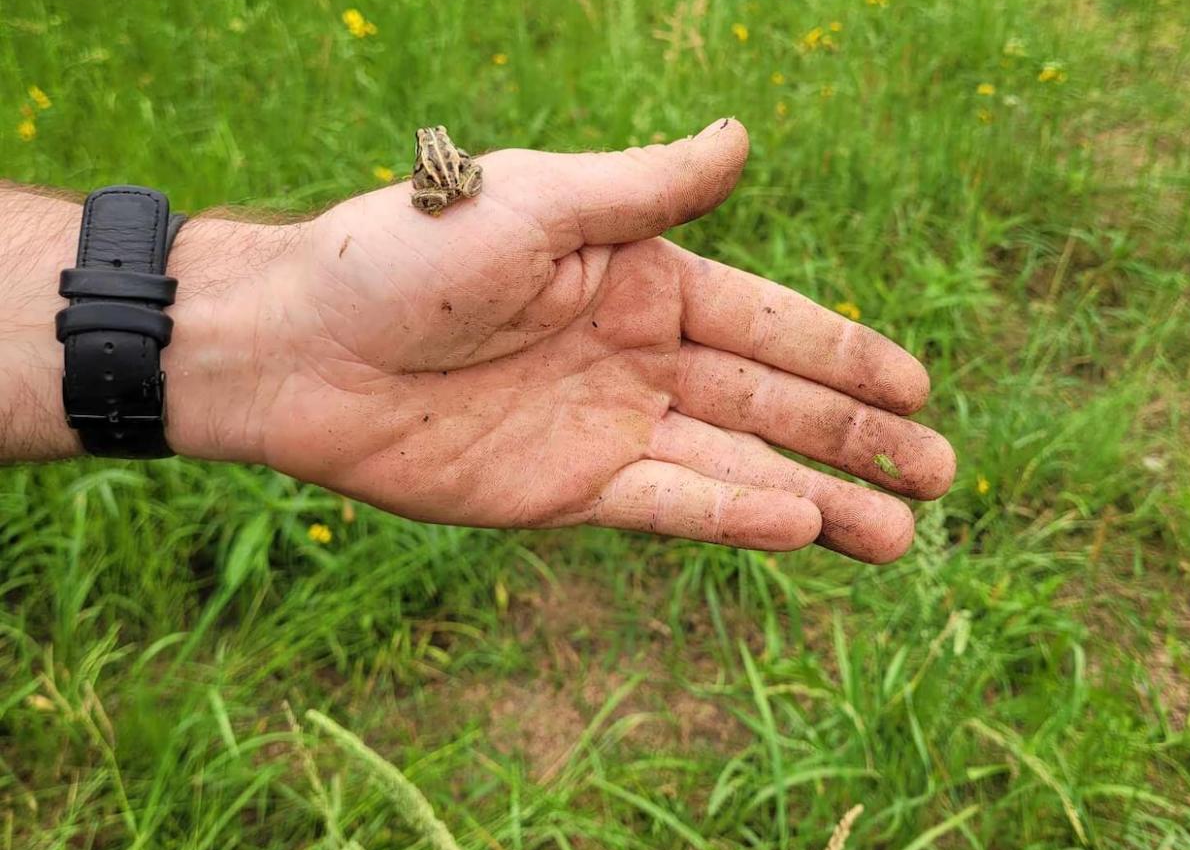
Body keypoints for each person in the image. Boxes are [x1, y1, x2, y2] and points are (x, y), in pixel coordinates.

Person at [1, 119, 954, 562]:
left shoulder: (446, 175)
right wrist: (282, 320)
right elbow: (442, 191)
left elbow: (443, 188)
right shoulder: (444, 183)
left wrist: (266, 321)